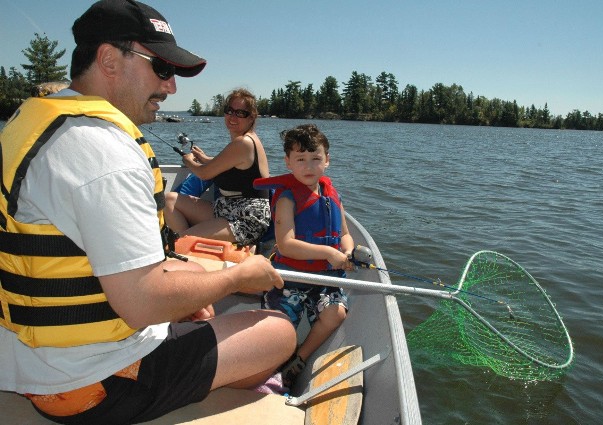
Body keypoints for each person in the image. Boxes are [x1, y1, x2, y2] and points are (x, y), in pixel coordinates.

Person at [0, 1, 296, 424]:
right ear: (108, 60)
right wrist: (236, 278)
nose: (171, 87)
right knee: (278, 330)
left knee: (193, 277)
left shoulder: (30, 124)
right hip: (93, 383)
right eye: (160, 68)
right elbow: (141, 303)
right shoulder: (104, 151)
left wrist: (192, 290)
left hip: (37, 360)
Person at [253, 124, 354, 386]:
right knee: (278, 331)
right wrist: (328, 253)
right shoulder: (288, 198)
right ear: (288, 162)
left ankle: (300, 358)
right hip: (291, 280)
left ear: (327, 160)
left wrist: (349, 252)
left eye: (316, 158)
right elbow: (285, 245)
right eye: (300, 159)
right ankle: (271, 369)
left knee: (336, 312)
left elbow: (344, 233)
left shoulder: (332, 196)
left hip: (325, 281)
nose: (309, 166)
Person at [163, 89, 271, 246]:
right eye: (229, 110)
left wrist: (189, 161)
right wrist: (204, 158)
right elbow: (232, 164)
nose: (233, 117)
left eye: (240, 113)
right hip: (226, 208)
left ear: (251, 117)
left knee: (179, 241)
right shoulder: (245, 141)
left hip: (246, 219)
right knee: (169, 200)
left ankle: (182, 245)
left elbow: (204, 174)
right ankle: (187, 249)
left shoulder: (244, 143)